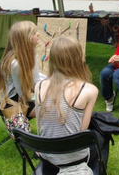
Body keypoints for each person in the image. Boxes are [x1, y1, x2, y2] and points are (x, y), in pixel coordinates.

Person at [35, 37, 98, 175]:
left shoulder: (39, 86)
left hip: (47, 156)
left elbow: (41, 126)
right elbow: (81, 132)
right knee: (100, 141)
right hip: (74, 158)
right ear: (78, 58)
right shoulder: (89, 90)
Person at [0, 21, 43, 118]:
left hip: (28, 95)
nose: (38, 33)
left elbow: (36, 81)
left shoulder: (32, 51)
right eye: (35, 33)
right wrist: (43, 98)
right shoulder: (15, 64)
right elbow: (23, 96)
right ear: (26, 39)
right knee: (51, 109)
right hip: (16, 103)